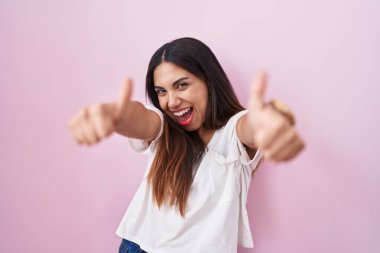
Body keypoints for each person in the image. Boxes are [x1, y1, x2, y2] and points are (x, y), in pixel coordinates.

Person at [68, 37, 305, 253]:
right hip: (138, 247)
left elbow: (251, 126)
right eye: (161, 91)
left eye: (182, 85)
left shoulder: (233, 132)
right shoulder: (163, 127)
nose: (171, 102)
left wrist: (270, 121)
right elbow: (140, 118)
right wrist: (115, 117)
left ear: (209, 82)